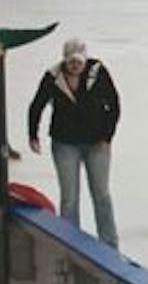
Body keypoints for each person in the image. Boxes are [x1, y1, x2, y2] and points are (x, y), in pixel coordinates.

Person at [27, 38, 120, 247]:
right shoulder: (53, 77)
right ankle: (71, 244)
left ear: (85, 59)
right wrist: (33, 134)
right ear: (64, 60)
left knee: (101, 194)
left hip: (97, 144)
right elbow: (37, 106)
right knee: (69, 197)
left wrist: (107, 137)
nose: (75, 65)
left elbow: (114, 105)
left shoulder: (98, 72)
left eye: (79, 61)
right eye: (71, 61)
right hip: (65, 144)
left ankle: (110, 244)